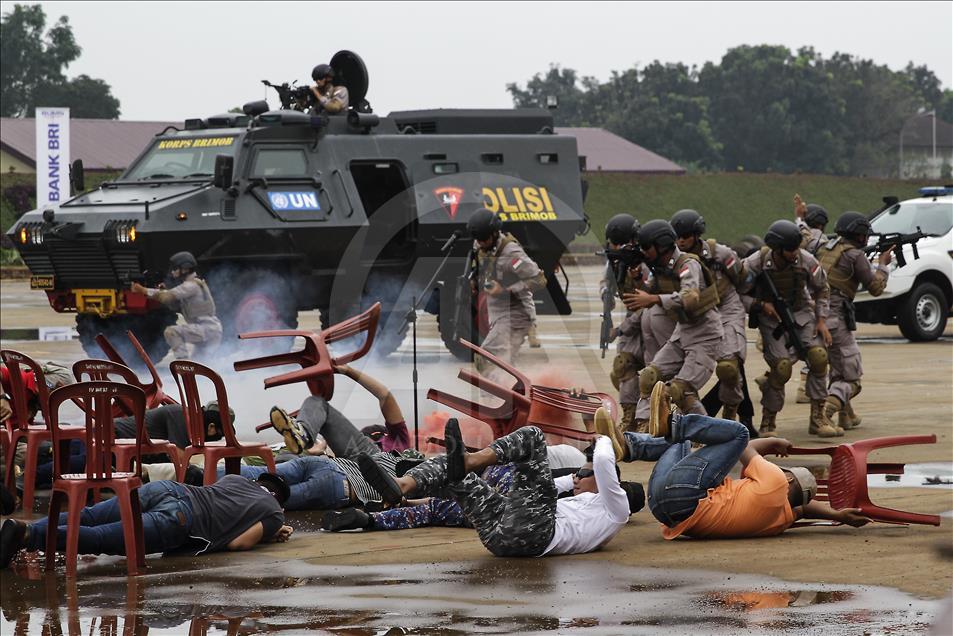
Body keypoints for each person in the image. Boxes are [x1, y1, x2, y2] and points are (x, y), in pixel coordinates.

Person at [598, 381, 871, 539]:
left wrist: (774, 442)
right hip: (664, 508)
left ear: (788, 479)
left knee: (739, 433)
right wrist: (838, 515)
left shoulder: (775, 484)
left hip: (687, 497)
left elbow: (745, 447)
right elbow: (803, 509)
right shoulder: (779, 520)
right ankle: (629, 446)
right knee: (680, 442)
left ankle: (672, 424)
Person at [356, 416, 643, 557]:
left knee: (533, 436)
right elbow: (547, 486)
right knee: (457, 475)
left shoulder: (615, 511)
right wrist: (573, 478)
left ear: (611, 487)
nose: (577, 476)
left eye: (584, 472)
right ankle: (402, 485)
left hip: (536, 534)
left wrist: (604, 439)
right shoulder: (589, 509)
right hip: (500, 539)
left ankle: (471, 460)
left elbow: (603, 462)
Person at [0, 474, 292, 568]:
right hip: (180, 519)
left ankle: (22, 530)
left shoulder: (236, 479)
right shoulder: (273, 512)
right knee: (102, 537)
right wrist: (269, 532)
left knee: (87, 515)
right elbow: (240, 544)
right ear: (278, 499)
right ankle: (28, 536)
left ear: (260, 481)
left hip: (166, 489)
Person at [623, 220, 724, 425]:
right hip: (682, 332)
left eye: (647, 247)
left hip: (705, 335)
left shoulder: (688, 264)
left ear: (661, 245)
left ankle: (707, 432)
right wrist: (637, 278)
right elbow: (648, 291)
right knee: (649, 377)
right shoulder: (661, 268)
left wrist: (654, 299)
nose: (645, 252)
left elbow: (690, 297)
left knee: (680, 390)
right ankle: (644, 428)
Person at [741, 220, 834, 437]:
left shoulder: (806, 260)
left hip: (801, 313)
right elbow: (736, 293)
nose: (795, 253)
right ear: (777, 249)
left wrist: (821, 320)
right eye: (790, 250)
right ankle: (768, 421)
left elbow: (822, 288)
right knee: (781, 367)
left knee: (818, 357)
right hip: (770, 318)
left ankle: (818, 418)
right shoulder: (756, 262)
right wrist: (759, 305)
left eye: (796, 248)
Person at [816, 212, 893, 430]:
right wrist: (883, 265)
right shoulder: (855, 256)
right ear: (859, 235)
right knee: (852, 378)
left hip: (817, 314)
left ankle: (846, 416)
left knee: (838, 370)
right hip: (836, 317)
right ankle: (825, 413)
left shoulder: (826, 249)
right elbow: (875, 288)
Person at [670, 209, 748, 422]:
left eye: (685, 236)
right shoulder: (674, 259)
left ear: (696, 235)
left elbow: (741, 277)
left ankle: (730, 409)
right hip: (697, 314)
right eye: (677, 236)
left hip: (726, 309)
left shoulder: (720, 254)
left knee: (728, 367)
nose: (681, 241)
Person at [466, 209, 547, 386]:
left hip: (516, 313)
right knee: (505, 364)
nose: (480, 243)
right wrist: (474, 282)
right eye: (478, 239)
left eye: (484, 239)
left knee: (485, 359)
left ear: (495, 233)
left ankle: (497, 395)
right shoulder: (480, 245)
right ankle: (519, 393)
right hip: (497, 314)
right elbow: (479, 268)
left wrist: (504, 290)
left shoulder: (511, 253)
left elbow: (539, 280)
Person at [268, 363, 410, 460]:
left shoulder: (399, 438)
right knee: (288, 457)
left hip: (378, 460)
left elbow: (384, 395)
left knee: (318, 403)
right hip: (351, 469)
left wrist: (348, 371)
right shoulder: (359, 442)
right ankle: (302, 436)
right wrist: (321, 449)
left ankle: (303, 434)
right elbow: (339, 439)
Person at [602, 213, 649, 431]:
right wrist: (606, 294)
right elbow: (606, 281)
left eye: (620, 242)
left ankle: (656, 417)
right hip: (634, 318)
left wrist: (620, 330)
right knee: (622, 367)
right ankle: (631, 418)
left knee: (656, 376)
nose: (616, 247)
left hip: (655, 322)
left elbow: (649, 303)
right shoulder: (615, 261)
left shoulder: (645, 262)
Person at [131, 252, 222, 361]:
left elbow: (167, 297)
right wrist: (162, 290)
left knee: (171, 332)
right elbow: (174, 304)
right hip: (208, 330)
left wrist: (142, 290)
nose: (173, 272)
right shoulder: (195, 283)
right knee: (201, 365)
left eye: (175, 268)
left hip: (206, 329)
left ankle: (183, 363)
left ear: (185, 269)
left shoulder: (191, 286)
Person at [793, 194, 830, 403]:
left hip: (798, 299)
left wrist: (798, 219)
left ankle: (772, 376)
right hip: (819, 298)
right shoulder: (822, 242)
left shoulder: (794, 239)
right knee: (818, 348)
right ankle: (806, 388)